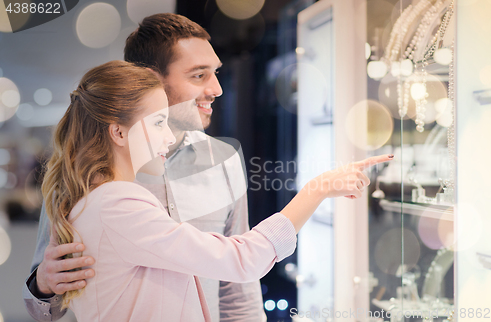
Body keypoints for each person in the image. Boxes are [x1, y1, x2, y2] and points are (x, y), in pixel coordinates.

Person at [41, 60, 392, 321]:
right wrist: (316, 190)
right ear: (118, 133)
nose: (167, 136)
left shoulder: (97, 200)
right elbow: (241, 259)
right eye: (159, 122)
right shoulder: (118, 202)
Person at [23, 13, 264, 322]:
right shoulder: (83, 175)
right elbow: (43, 310)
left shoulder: (223, 161)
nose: (216, 88)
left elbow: (238, 291)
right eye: (199, 75)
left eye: (215, 73)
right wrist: (43, 285)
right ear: (151, 78)